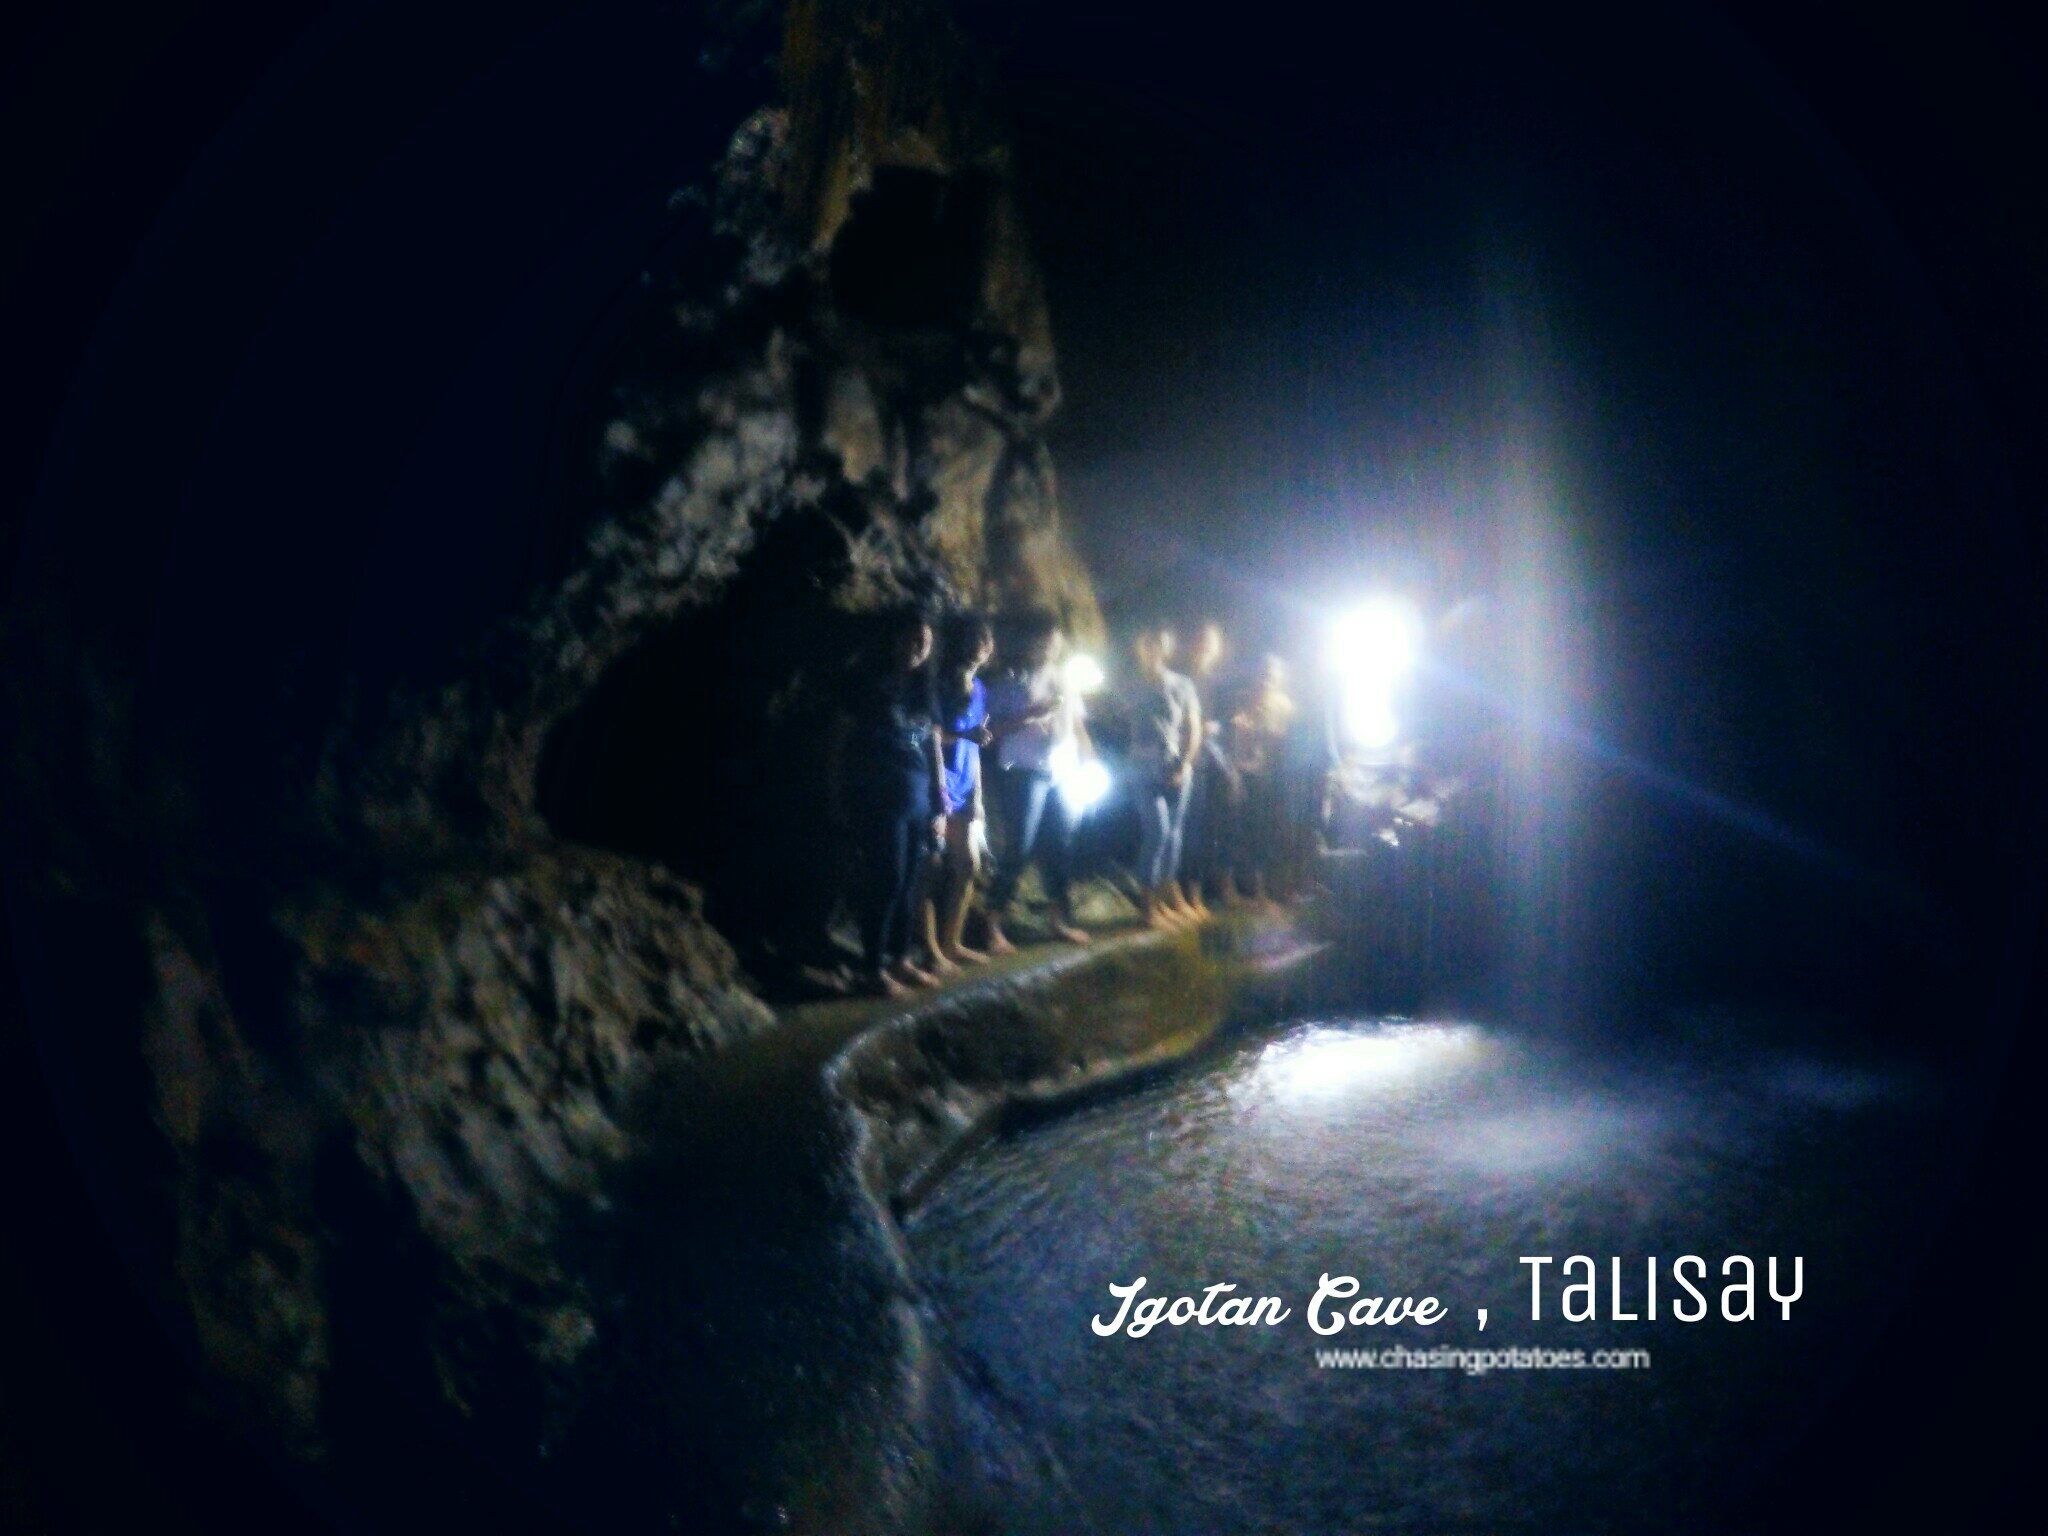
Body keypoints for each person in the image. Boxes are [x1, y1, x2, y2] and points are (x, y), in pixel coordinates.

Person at [844, 607, 948, 997]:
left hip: (918, 794)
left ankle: (900, 959)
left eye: (925, 642)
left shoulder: (924, 688)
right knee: (886, 879)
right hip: (880, 797)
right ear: (895, 638)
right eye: (912, 639)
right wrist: (836, 794)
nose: (919, 648)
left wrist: (940, 799)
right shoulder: (867, 683)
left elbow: (933, 743)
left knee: (909, 882)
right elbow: (840, 738)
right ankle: (871, 968)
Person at [984, 610, 1094, 951]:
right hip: (1023, 770)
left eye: (1054, 640)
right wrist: (1029, 716)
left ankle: (1058, 921)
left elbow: (1077, 723)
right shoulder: (1009, 680)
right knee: (1019, 846)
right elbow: (988, 729)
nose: (1049, 646)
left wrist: (1089, 757)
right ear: (1029, 643)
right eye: (1043, 640)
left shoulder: (1065, 679)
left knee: (1060, 844)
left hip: (1062, 771)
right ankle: (992, 925)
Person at [922, 613, 996, 973]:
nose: (982, 646)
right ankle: (931, 950)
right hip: (937, 784)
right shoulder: (938, 685)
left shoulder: (979, 689)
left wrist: (978, 796)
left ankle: (952, 942)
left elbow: (976, 744)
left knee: (968, 864)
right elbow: (930, 735)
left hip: (965, 785)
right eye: (975, 639)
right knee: (931, 868)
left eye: (986, 639)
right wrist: (965, 736)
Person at [1125, 625, 1204, 929]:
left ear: (1166, 648)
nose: (1152, 650)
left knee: (1174, 836)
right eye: (1147, 645)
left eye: (1157, 644)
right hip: (1142, 766)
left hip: (1175, 764)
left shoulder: (1182, 684)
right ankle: (1147, 908)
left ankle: (1161, 903)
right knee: (1157, 831)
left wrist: (1184, 764)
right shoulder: (1131, 685)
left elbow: (1193, 727)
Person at [1227, 654, 1298, 907]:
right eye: (1264, 673)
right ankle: (1254, 890)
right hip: (1247, 774)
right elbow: (1236, 738)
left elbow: (1285, 741)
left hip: (1275, 776)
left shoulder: (1284, 705)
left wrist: (1272, 734)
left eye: (1272, 673)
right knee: (1250, 833)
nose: (1267, 678)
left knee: (1272, 832)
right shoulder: (1243, 700)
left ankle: (1274, 888)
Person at [1177, 620, 1237, 919]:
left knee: (1218, 827)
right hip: (1191, 760)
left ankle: (1216, 890)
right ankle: (1190, 896)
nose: (1206, 647)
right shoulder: (1183, 678)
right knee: (1191, 829)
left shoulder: (1220, 683)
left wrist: (1219, 728)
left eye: (1211, 641)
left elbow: (1224, 724)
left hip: (1215, 760)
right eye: (1201, 640)